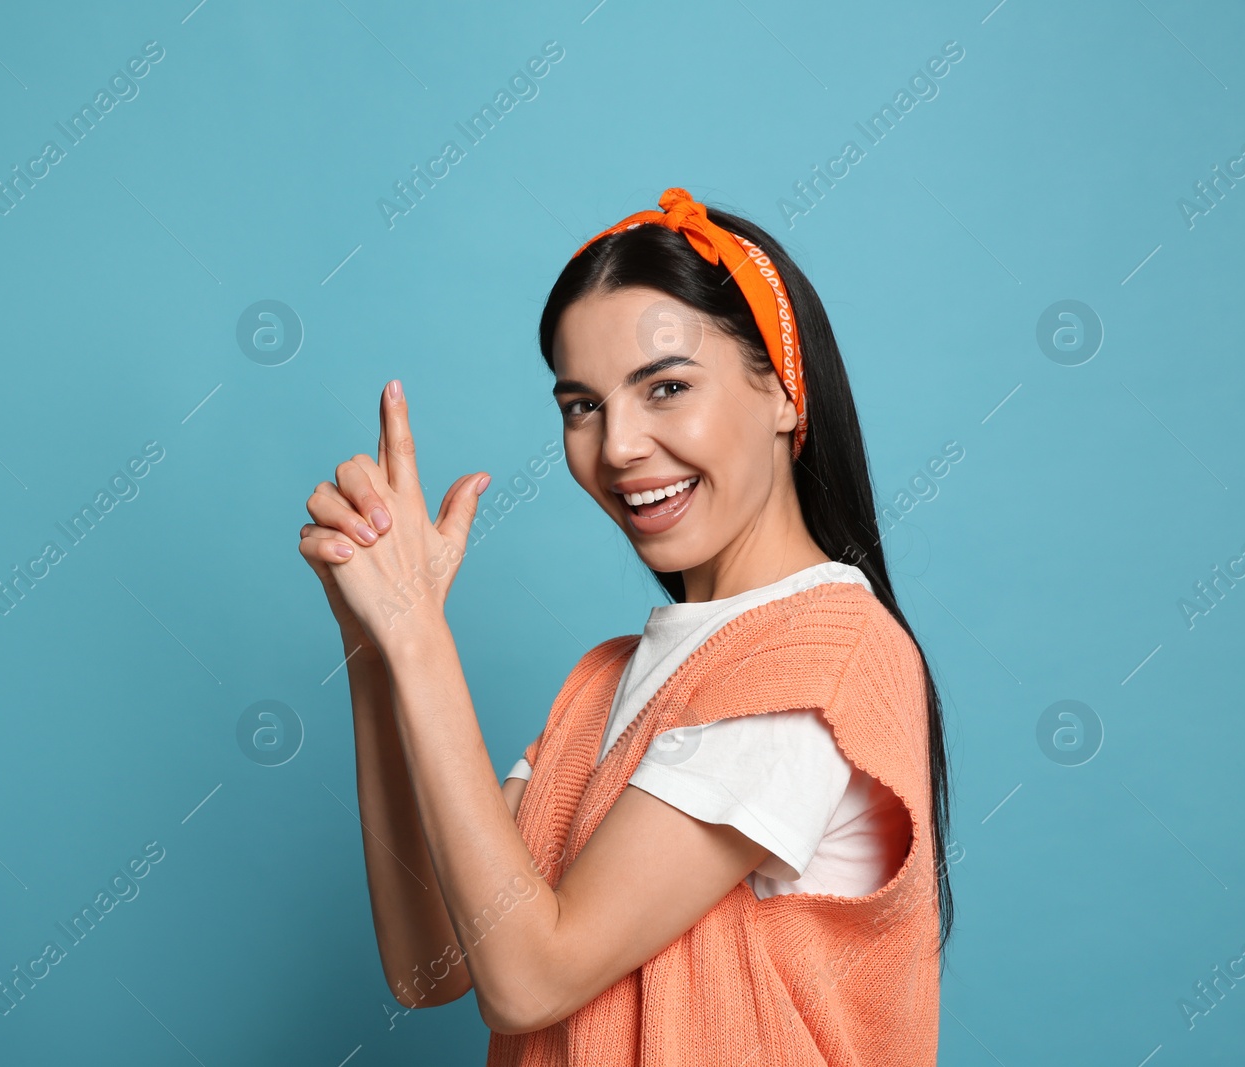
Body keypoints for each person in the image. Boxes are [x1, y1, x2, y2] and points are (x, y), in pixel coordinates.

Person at [297, 186, 955, 1066]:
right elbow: (431, 962)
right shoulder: (608, 681)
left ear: (784, 392)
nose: (616, 447)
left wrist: (420, 636)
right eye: (582, 405)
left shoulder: (817, 659)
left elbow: (530, 975)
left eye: (667, 387)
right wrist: (375, 647)